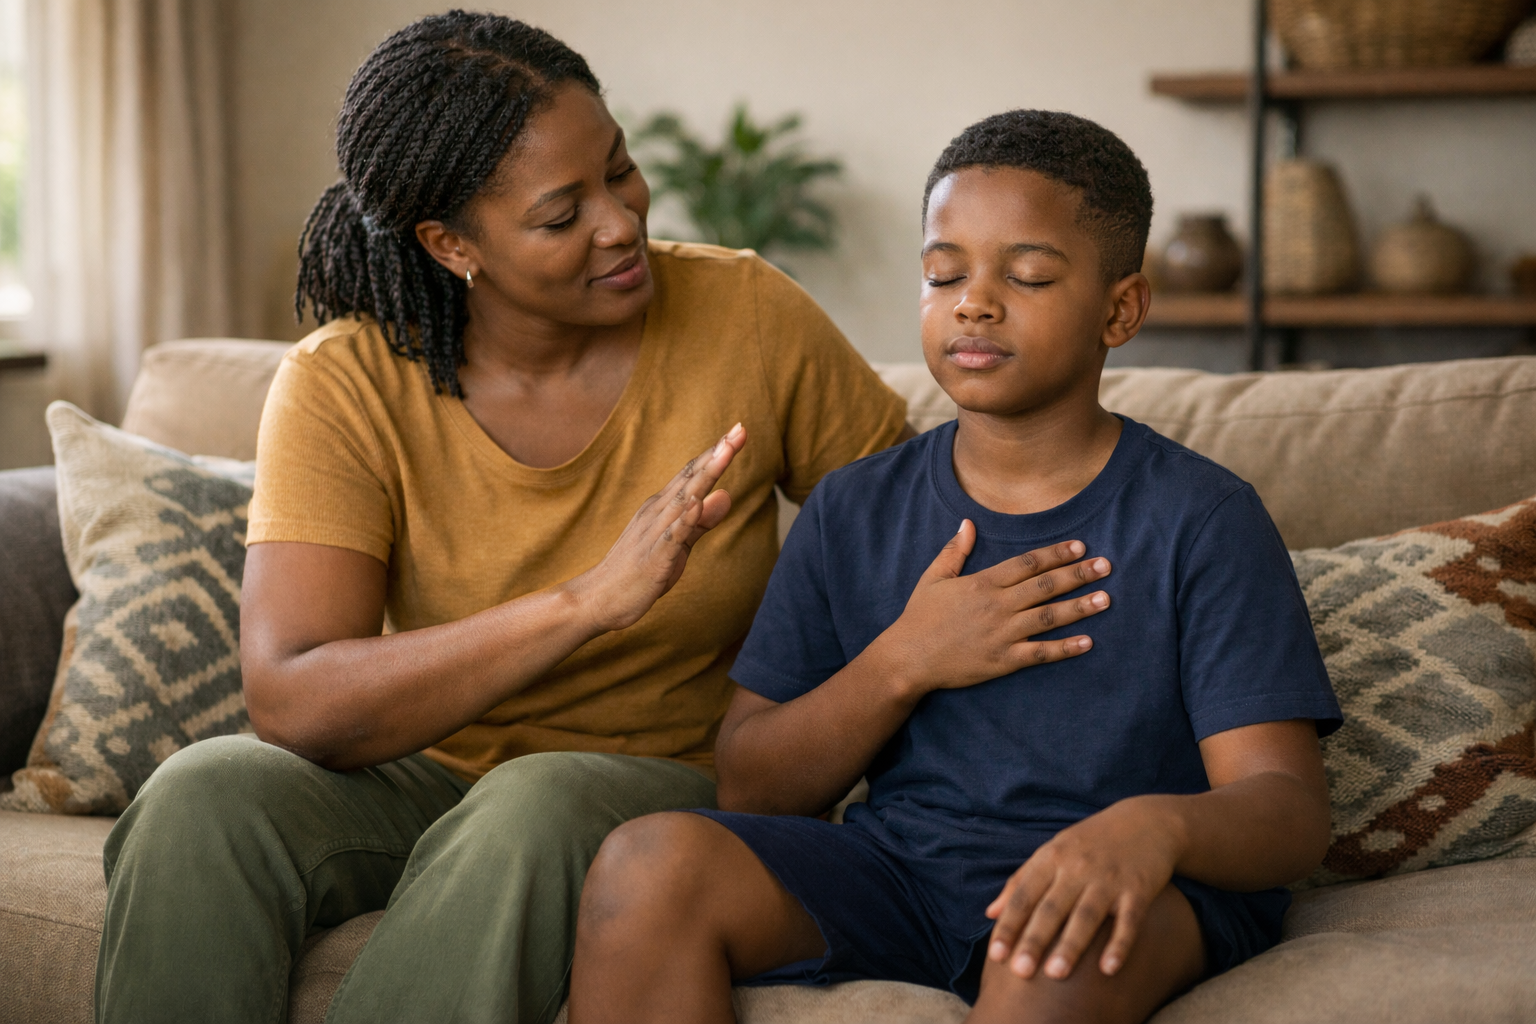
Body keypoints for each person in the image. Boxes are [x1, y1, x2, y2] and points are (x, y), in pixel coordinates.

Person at [93, 12, 917, 1024]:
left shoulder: (746, 314)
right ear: (450, 244)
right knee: (201, 793)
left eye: (619, 171)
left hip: (670, 778)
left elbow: (919, 532)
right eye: (562, 212)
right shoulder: (345, 381)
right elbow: (295, 693)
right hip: (432, 773)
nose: (620, 222)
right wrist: (584, 603)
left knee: (530, 805)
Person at [569, 110, 1343, 1024]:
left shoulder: (1201, 518)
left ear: (1121, 309)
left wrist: (1153, 829)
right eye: (944, 273)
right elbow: (752, 786)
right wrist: (904, 661)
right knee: (646, 863)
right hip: (902, 870)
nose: (973, 300)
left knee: (1047, 958)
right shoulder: (853, 508)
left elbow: (1289, 811)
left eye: (1028, 275)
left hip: (1118, 882)